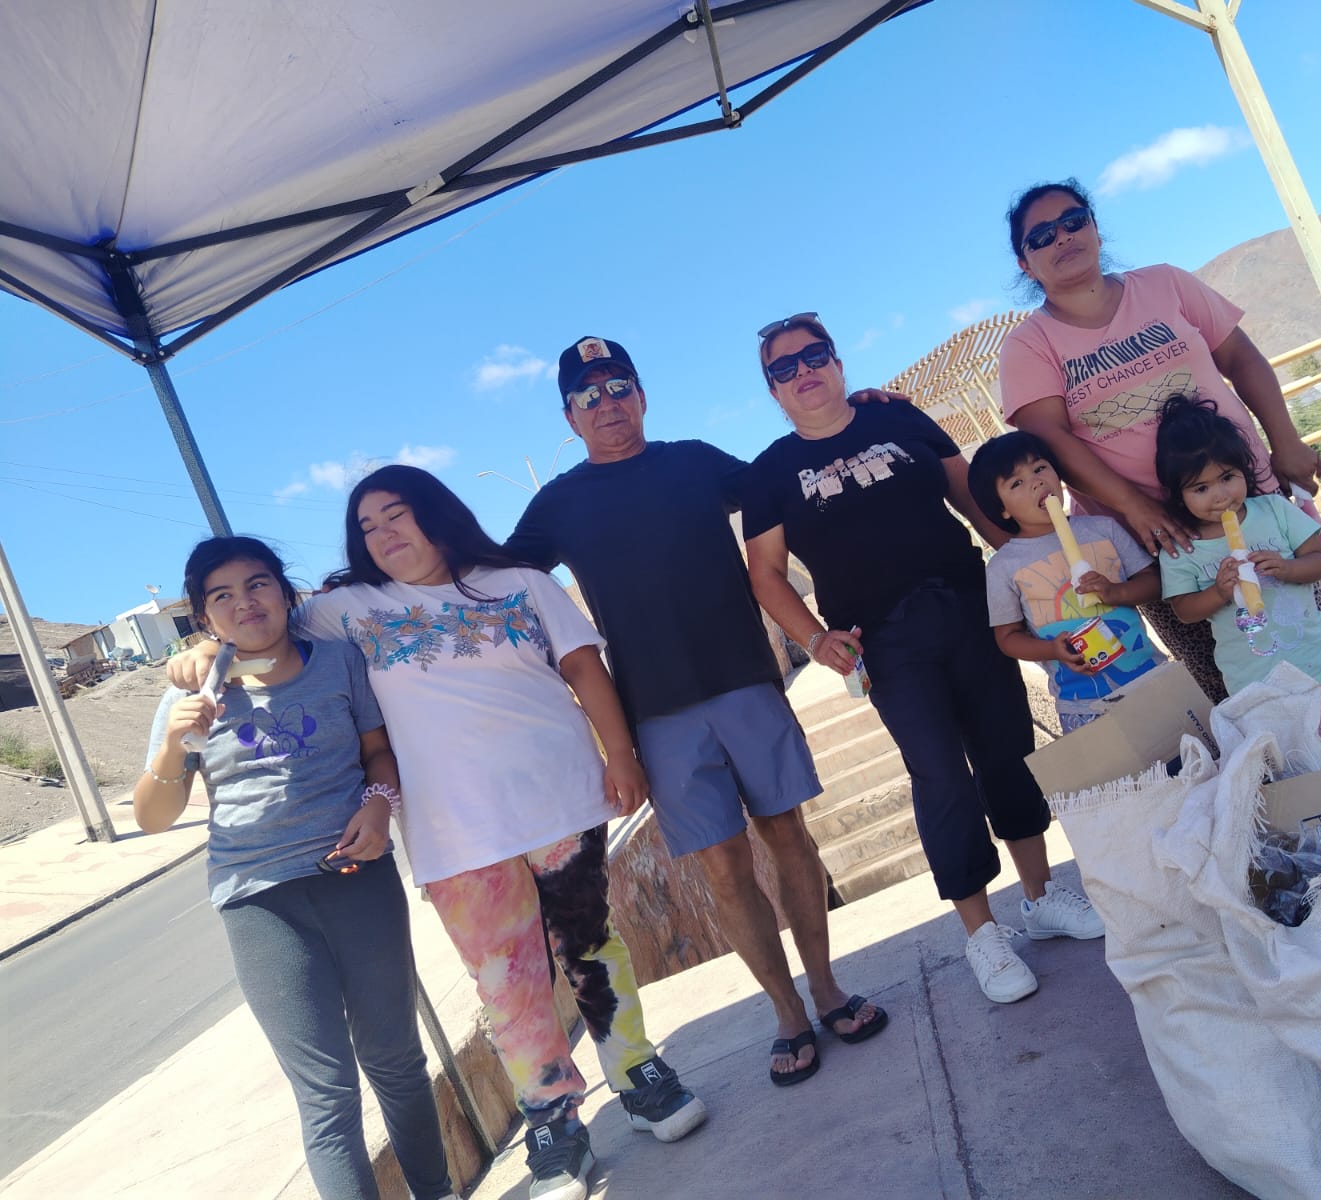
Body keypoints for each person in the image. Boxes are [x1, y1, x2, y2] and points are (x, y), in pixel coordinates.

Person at [171, 470, 704, 1200]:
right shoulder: (349, 609)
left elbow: (584, 666)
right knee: (505, 977)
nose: (386, 535)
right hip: (455, 833)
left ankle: (638, 1070)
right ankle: (552, 1114)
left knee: (588, 942)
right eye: (369, 527)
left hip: (557, 800)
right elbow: (254, 623)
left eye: (399, 516)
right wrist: (205, 655)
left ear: (439, 517)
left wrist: (620, 755)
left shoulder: (521, 583)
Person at [996, 177, 1321, 834]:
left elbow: (1241, 358)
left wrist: (1287, 440)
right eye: (1040, 236)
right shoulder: (1030, 345)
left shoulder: (1165, 285)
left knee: (1315, 638)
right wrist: (1133, 507)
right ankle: (1293, 809)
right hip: (1153, 536)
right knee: (1216, 663)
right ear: (1025, 263)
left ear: (1095, 226)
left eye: (1073, 221)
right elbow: (1049, 438)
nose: (1062, 239)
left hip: (1243, 498)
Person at [504, 336, 886, 1089]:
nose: (606, 404)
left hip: (747, 682)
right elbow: (491, 580)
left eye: (619, 387)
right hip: (655, 716)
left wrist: (854, 415)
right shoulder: (557, 504)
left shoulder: (696, 461)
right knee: (722, 864)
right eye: (588, 396)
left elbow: (784, 483)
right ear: (569, 416)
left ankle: (828, 989)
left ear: (642, 395)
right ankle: (786, 1015)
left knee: (789, 834)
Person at [741, 312, 1105, 1007]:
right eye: (784, 367)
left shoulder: (902, 422)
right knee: (940, 776)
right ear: (773, 389)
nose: (803, 371)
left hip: (970, 607)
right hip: (886, 643)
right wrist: (817, 640)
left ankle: (1040, 897)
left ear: (838, 361)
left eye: (814, 354)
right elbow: (765, 573)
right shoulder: (768, 475)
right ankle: (982, 936)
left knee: (1007, 753)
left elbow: (975, 502)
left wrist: (1040, 575)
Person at [136, 537, 453, 1200]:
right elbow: (154, 817)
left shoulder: (338, 662)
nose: (244, 602)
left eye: (257, 584)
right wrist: (171, 742)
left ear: (284, 592)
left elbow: (377, 754)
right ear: (203, 617)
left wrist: (377, 806)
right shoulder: (194, 693)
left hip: (357, 880)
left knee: (396, 1061)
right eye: (221, 595)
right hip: (259, 903)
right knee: (327, 1094)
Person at [1154, 395, 1321, 788]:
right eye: (1201, 488)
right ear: (1179, 496)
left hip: (1317, 666)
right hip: (1252, 684)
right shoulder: (1183, 549)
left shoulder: (1274, 511)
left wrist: (1288, 567)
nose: (1220, 495)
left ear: (1244, 470)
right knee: (1286, 765)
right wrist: (1218, 592)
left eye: (1227, 477)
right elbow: (1185, 610)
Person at [970, 430, 1163, 732]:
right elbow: (1007, 638)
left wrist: (1116, 591)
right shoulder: (1003, 567)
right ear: (1002, 508)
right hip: (1083, 706)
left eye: (1040, 468)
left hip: (1153, 677)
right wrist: (1051, 650)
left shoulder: (1103, 529)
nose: (1036, 481)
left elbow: (1153, 582)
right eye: (1017, 483)